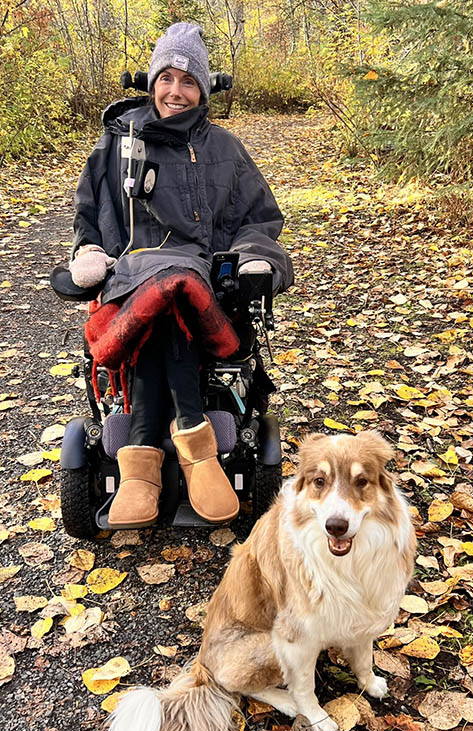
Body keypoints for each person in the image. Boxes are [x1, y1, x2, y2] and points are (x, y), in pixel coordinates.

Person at [60, 22, 293, 530]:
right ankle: (195, 444)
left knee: (178, 283)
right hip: (131, 282)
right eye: (166, 78)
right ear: (151, 83)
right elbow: (88, 213)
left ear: (203, 89)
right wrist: (90, 250)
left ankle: (142, 453)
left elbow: (259, 220)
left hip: (204, 283)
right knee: (164, 286)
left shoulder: (225, 149)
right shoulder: (117, 145)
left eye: (188, 81)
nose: (175, 91)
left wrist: (255, 255)